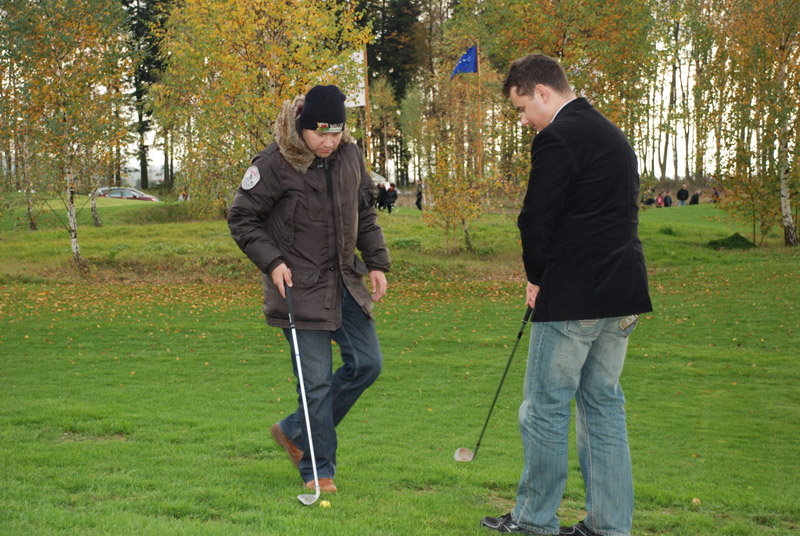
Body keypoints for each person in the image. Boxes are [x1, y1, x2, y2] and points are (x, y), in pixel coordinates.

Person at [480, 54, 652, 536]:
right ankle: (609, 525)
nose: (524, 121)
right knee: (603, 405)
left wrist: (536, 276)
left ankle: (534, 520)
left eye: (520, 109)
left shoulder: (555, 137)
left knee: (544, 406)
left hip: (575, 296)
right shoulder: (614, 136)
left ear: (542, 93)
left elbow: (535, 219)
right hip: (622, 294)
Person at [227, 85, 391, 494]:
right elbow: (242, 218)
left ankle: (294, 430)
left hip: (345, 284)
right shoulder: (274, 163)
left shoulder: (350, 156)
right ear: (301, 127)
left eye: (335, 133)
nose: (328, 142)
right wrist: (273, 261)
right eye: (320, 133)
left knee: (367, 364)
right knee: (314, 383)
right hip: (297, 289)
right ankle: (319, 472)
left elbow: (365, 213)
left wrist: (377, 263)